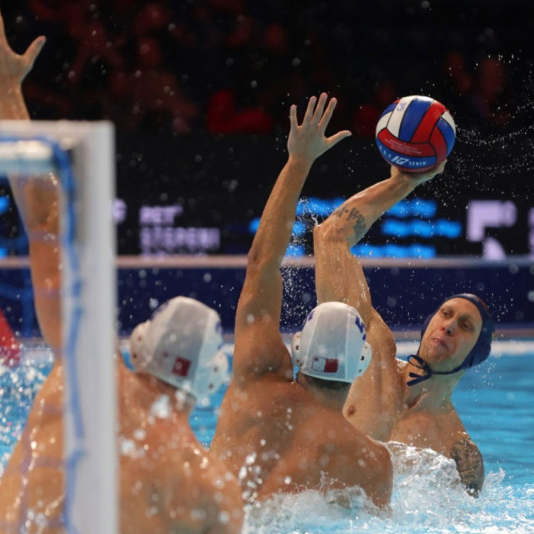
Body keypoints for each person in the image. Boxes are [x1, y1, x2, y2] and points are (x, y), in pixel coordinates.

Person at [0, 2, 244, 533]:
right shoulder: (213, 493)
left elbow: (46, 215)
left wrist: (5, 91)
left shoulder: (83, 373)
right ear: (210, 383)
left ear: (140, 345)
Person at [210, 93, 393, 509]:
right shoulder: (372, 462)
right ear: (362, 362)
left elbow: (261, 264)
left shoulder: (255, 381)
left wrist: (299, 162)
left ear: (296, 349)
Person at [312, 163, 495, 496]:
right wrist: (403, 183)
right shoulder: (370, 351)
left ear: (476, 355)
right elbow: (330, 236)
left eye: (465, 326)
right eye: (445, 314)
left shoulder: (458, 450)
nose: (449, 326)